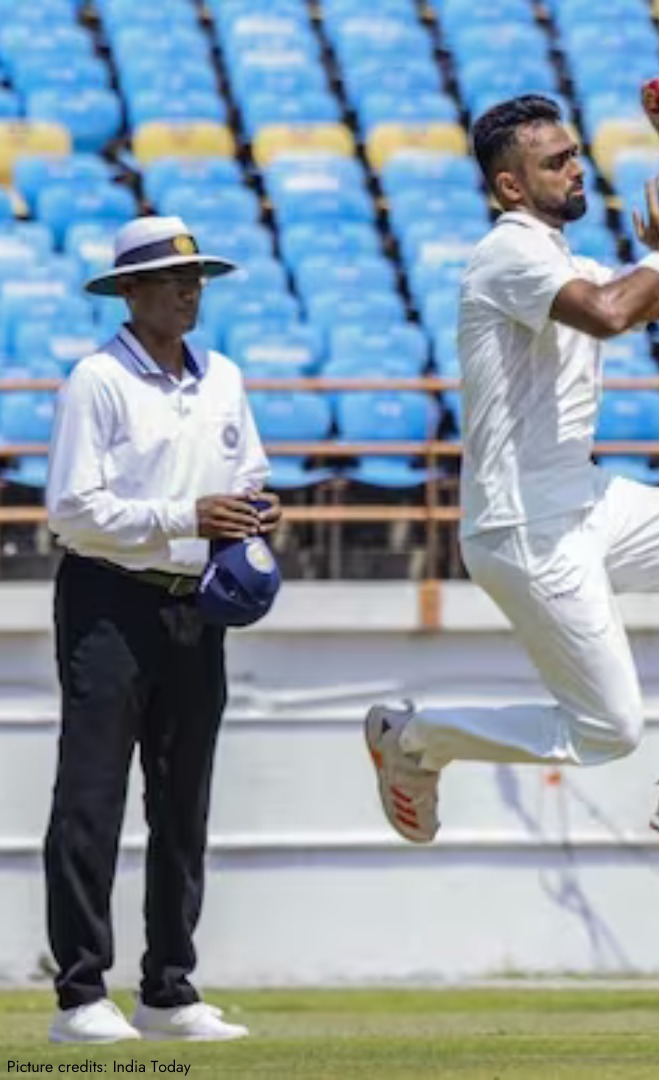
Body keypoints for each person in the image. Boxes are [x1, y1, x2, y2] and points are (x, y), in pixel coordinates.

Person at [365, 86, 659, 860]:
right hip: (525, 523)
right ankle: (413, 736)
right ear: (510, 187)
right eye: (555, 163)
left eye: (576, 155)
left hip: (581, 498)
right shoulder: (508, 251)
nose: (576, 170)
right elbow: (611, 312)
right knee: (608, 732)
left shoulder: (565, 259)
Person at [43, 215, 282, 1044]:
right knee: (91, 798)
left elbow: (246, 469)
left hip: (195, 603)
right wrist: (188, 513)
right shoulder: (96, 380)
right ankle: (80, 996)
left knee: (184, 801)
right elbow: (72, 513)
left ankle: (169, 991)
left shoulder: (223, 377)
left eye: (198, 278)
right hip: (108, 598)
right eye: (173, 279)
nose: (191, 291)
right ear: (130, 290)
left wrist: (255, 509)